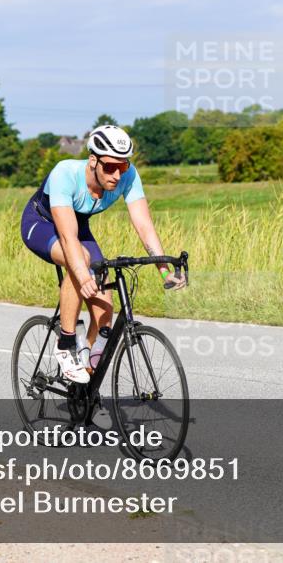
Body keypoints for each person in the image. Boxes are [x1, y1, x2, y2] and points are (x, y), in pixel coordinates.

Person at [20, 125, 186, 383]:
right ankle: (65, 345)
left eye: (123, 166)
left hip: (79, 227)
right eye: (110, 167)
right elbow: (67, 237)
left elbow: (144, 226)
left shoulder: (128, 176)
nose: (117, 174)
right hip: (42, 224)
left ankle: (88, 359)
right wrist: (81, 274)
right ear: (93, 160)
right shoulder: (65, 173)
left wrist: (164, 269)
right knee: (81, 264)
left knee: (103, 294)